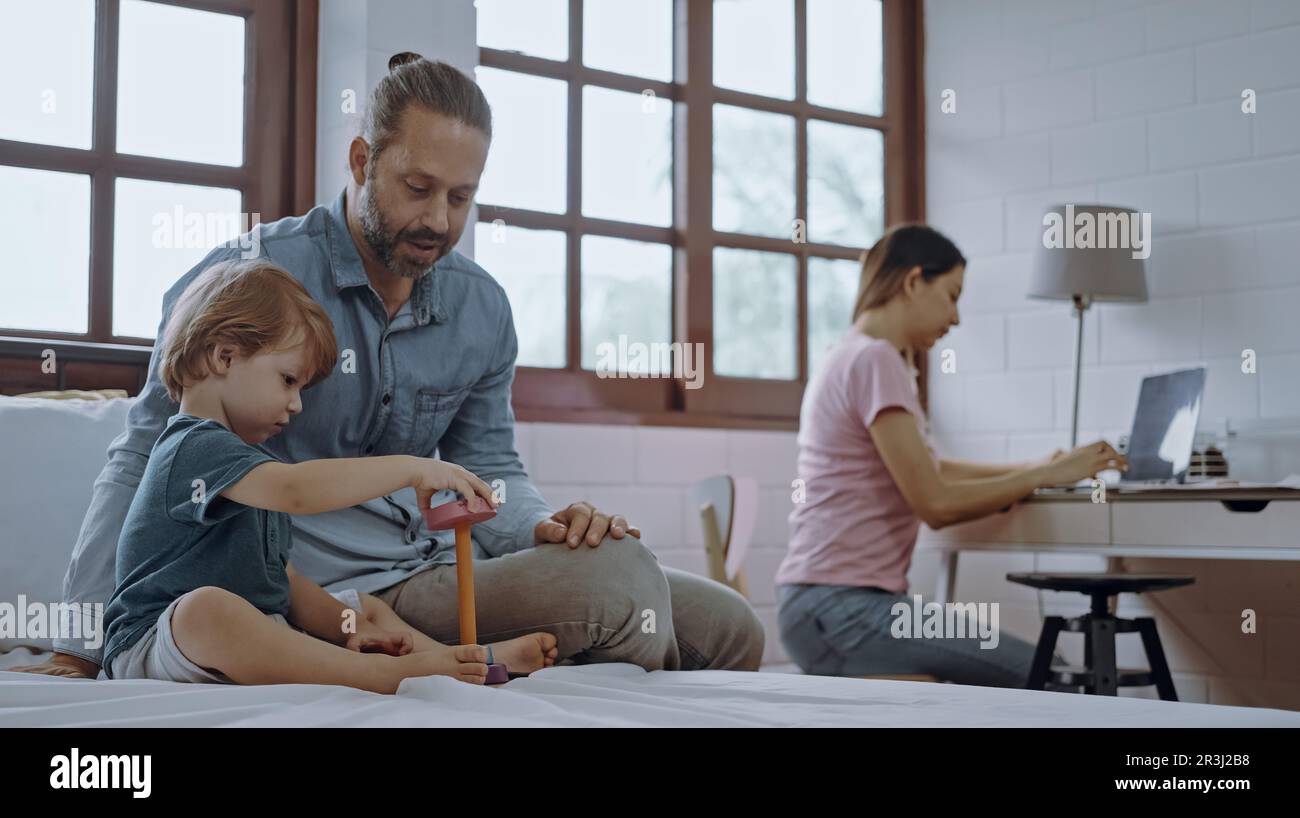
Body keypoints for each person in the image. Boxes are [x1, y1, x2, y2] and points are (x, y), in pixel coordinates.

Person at [16, 53, 762, 681]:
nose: (438, 220)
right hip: (313, 598)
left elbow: (492, 466)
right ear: (362, 161)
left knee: (730, 627)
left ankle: (530, 662)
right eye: (417, 188)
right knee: (626, 587)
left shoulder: (481, 308)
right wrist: (82, 644)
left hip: (436, 571)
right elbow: (143, 456)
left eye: (461, 197)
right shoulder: (252, 279)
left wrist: (544, 527)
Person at [103, 258, 558, 692]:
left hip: (258, 633)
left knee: (363, 607)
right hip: (158, 641)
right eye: (288, 381)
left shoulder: (249, 467)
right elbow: (298, 492)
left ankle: (465, 661)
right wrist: (411, 467)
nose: (297, 405)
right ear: (224, 356)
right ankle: (380, 674)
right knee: (208, 609)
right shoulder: (192, 446)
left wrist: (353, 627)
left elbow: (287, 585)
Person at [775, 224, 1125, 686]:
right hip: (842, 609)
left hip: (817, 608)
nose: (956, 318)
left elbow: (930, 467)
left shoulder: (851, 355)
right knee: (1050, 672)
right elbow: (935, 503)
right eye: (951, 295)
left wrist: (1037, 468)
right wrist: (1046, 476)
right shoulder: (876, 361)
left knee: (1039, 667)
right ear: (914, 281)